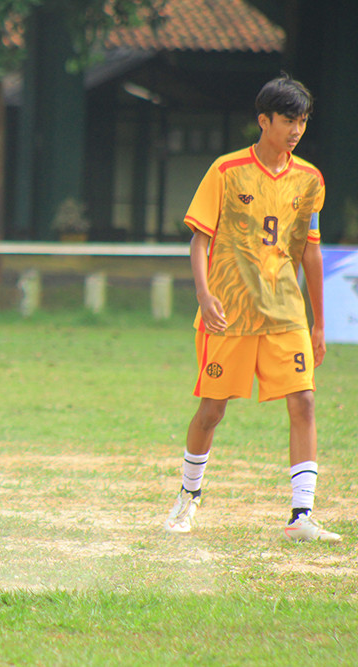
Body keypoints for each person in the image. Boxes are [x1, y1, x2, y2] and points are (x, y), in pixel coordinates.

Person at [164, 75, 339, 542]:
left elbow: (310, 252)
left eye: (302, 120)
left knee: (303, 401)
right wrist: (204, 294)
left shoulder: (310, 180)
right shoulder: (226, 171)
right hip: (230, 313)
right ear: (264, 121)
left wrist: (320, 323)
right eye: (288, 120)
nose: (296, 129)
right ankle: (188, 495)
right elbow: (199, 241)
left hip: (284, 313)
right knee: (212, 411)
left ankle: (302, 514)